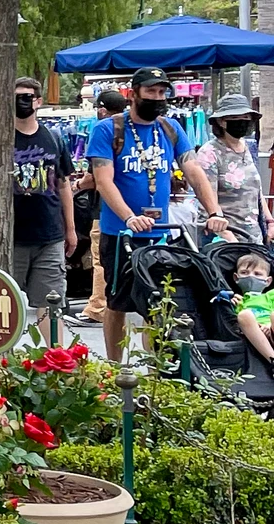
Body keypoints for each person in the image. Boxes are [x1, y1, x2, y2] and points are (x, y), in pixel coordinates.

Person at [89, 67, 230, 360]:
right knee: (118, 303)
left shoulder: (170, 128)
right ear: (134, 93)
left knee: (161, 303)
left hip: (161, 234)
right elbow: (103, 180)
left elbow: (193, 170)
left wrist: (214, 210)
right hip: (121, 234)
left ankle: (156, 370)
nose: (158, 97)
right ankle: (117, 369)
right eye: (151, 91)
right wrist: (128, 216)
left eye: (162, 92)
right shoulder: (108, 130)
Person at [9, 76, 78, 337]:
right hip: (11, 237)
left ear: (38, 101)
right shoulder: (0, 139)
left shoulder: (54, 137)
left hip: (49, 235)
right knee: (8, 305)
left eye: (27, 97)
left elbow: (63, 185)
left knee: (51, 304)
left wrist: (70, 229)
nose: (22, 103)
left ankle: (56, 364)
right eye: (17, 98)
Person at [81, 86, 129, 327]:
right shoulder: (131, 132)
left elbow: (95, 178)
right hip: (131, 209)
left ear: (101, 109)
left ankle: (97, 306)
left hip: (106, 211)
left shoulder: (103, 131)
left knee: (101, 258)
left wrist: (77, 185)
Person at [196, 94, 267, 245]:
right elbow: (207, 198)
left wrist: (270, 222)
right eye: (235, 118)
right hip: (224, 239)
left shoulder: (250, 147)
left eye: (246, 117)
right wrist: (229, 239)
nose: (242, 122)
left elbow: (257, 191)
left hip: (254, 236)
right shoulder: (210, 152)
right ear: (222, 121)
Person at [232, 253, 274, 365]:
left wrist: (269, 325)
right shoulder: (238, 300)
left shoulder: (270, 295)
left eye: (257, 274)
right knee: (244, 315)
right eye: (244, 273)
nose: (251, 276)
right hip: (256, 334)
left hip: (272, 328)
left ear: (268, 281)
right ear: (236, 278)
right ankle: (273, 360)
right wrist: (234, 305)